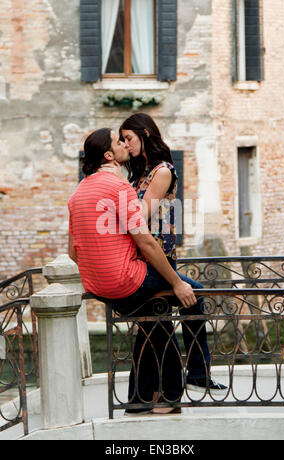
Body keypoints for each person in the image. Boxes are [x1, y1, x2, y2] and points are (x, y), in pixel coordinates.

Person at [68, 128, 197, 415]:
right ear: (109, 155)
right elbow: (147, 243)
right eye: (119, 141)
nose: (126, 144)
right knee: (192, 294)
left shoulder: (78, 193)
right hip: (126, 279)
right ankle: (180, 390)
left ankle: (140, 398)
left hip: (97, 286)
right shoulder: (119, 188)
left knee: (154, 318)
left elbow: (73, 252)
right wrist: (177, 283)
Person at [115, 113, 227, 395]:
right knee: (161, 319)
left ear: (146, 135)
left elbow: (140, 215)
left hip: (157, 257)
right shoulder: (138, 173)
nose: (126, 145)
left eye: (129, 139)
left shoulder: (161, 171)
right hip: (144, 260)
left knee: (190, 298)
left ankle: (183, 378)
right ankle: (169, 384)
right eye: (122, 140)